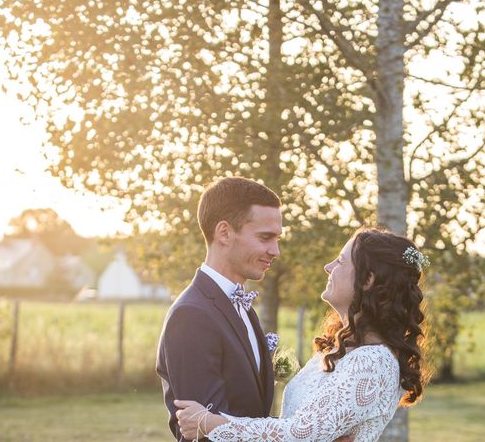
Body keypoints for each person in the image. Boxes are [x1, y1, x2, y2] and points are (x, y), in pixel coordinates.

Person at [175, 227, 429, 442]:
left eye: (340, 261)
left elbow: (300, 434)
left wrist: (210, 423)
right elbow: (299, 425)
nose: (328, 267)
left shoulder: (373, 363)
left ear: (368, 280)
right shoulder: (340, 351)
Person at [156, 176, 283, 441]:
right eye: (265, 237)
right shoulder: (192, 315)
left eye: (277, 239)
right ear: (224, 233)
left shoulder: (243, 307)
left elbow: (252, 416)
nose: (275, 251)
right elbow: (202, 433)